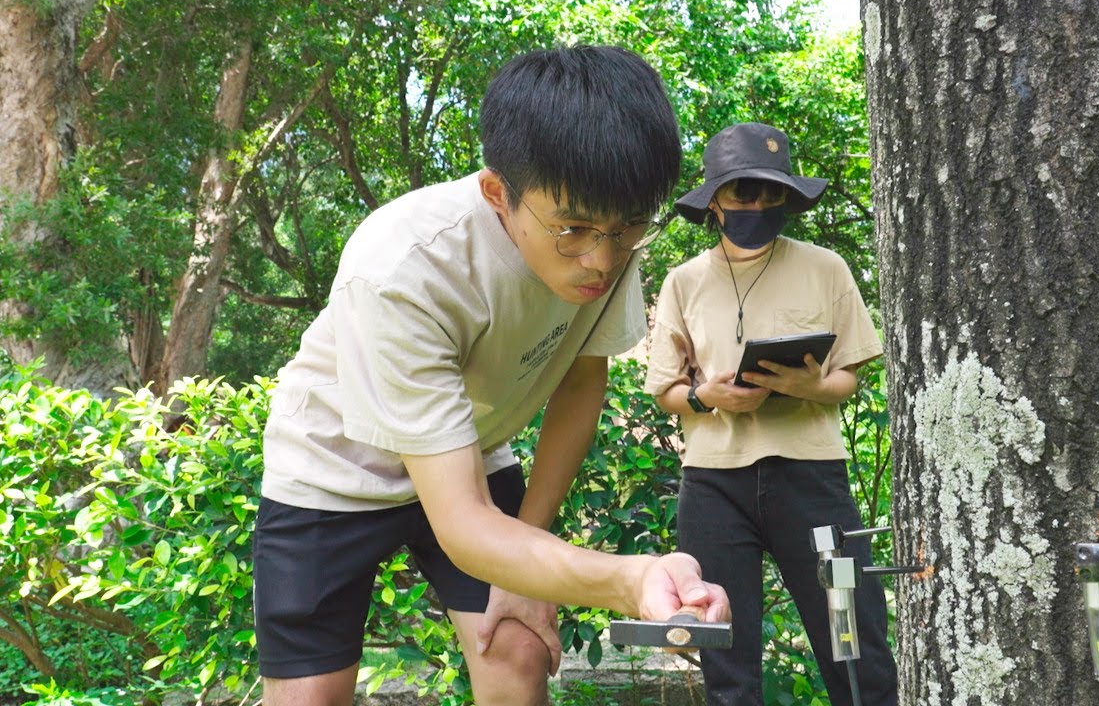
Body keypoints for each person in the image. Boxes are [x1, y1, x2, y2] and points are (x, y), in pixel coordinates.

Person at [253, 45, 729, 706]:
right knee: (312, 698)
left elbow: (580, 384)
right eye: (573, 228)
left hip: (466, 452)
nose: (600, 259)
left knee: (518, 647)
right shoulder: (404, 269)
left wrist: (529, 558)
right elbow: (463, 526)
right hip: (334, 469)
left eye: (626, 230)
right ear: (498, 194)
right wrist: (629, 578)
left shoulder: (608, 237)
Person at [643, 122, 897, 706]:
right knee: (725, 657)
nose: (758, 205)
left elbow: (850, 378)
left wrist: (809, 384)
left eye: (770, 193)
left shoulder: (825, 266)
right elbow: (666, 390)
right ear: (715, 202)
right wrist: (711, 397)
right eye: (743, 193)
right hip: (713, 482)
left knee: (854, 643)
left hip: (810, 474)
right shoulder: (684, 281)